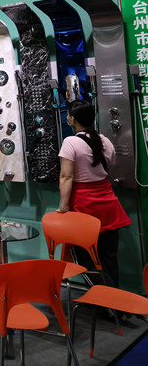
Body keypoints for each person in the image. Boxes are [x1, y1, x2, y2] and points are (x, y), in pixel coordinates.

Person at [57, 100, 131, 286]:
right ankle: (114, 299)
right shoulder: (105, 140)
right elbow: (110, 169)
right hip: (108, 204)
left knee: (85, 259)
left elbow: (66, 176)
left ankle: (102, 299)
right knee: (109, 258)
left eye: (68, 114)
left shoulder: (70, 142)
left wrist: (63, 206)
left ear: (72, 119)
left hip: (83, 205)